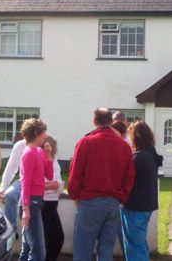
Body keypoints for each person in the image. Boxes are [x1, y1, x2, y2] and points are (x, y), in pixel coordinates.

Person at [68, 108, 135, 261]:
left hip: (89, 202)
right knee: (106, 250)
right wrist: (122, 198)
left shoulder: (85, 142)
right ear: (111, 122)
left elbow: (75, 173)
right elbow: (129, 176)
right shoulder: (124, 146)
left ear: (94, 121)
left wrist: (74, 195)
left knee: (83, 250)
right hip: (113, 203)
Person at [121, 121, 163, 260]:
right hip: (146, 205)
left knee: (134, 246)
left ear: (135, 137)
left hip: (135, 206)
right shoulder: (150, 154)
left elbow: (127, 180)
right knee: (139, 243)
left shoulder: (139, 157)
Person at [19, 118, 53, 261]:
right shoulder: (29, 153)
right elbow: (25, 183)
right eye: (43, 132)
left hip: (36, 202)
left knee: (27, 250)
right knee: (38, 252)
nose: (46, 135)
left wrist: (48, 155)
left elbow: (49, 175)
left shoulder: (38, 151)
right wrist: (26, 210)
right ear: (36, 133)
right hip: (30, 204)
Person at [41, 136, 65, 261]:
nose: (48, 148)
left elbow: (58, 178)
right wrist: (51, 185)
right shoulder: (38, 159)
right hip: (42, 204)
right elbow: (33, 185)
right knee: (43, 239)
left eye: (49, 145)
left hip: (52, 203)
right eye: (45, 146)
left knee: (57, 238)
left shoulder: (54, 160)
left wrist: (59, 186)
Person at [0, 138, 26, 237]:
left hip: (40, 183)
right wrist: (3, 187)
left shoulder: (44, 143)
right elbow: (11, 167)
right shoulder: (20, 145)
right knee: (10, 195)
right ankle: (11, 231)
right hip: (24, 181)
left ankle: (28, 230)